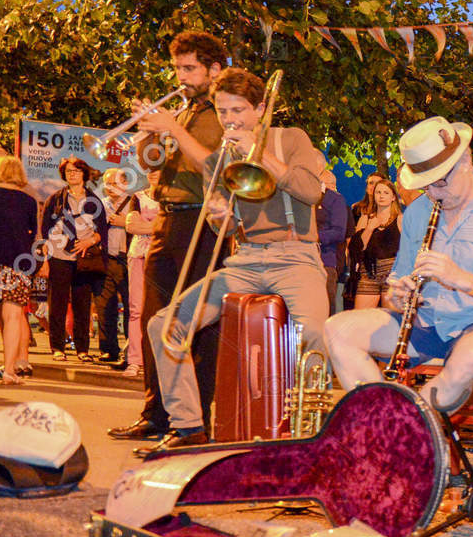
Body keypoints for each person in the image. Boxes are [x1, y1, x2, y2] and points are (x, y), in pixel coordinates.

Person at [140, 68, 331, 456]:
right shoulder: (218, 160)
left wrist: (257, 154)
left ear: (261, 108)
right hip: (244, 260)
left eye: (238, 110)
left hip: (295, 257)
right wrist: (215, 213)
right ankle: (189, 426)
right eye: (223, 110)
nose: (230, 119)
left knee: (314, 335)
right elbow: (222, 226)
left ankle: (310, 433)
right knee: (165, 325)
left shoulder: (290, 138)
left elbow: (311, 192)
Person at [324, 117, 473, 414]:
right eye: (425, 187)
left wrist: (464, 279)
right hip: (431, 321)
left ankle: (407, 429)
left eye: (440, 182)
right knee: (338, 330)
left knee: (469, 355)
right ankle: (385, 425)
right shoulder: (418, 212)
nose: (434, 194)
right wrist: (397, 294)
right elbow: (398, 280)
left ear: (465, 160)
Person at [109, 29, 226, 441]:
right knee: (152, 324)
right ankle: (154, 414)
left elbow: (214, 166)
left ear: (214, 69)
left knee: (195, 327)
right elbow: (152, 162)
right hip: (167, 218)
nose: (181, 76)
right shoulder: (186, 110)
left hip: (202, 223)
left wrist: (173, 128)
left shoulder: (220, 111)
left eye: (189, 68)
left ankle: (193, 421)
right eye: (177, 67)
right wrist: (148, 133)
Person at [41, 157, 109, 364]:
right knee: (58, 304)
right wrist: (44, 258)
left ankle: (82, 349)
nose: (73, 174)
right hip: (59, 255)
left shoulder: (94, 200)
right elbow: (44, 230)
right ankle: (58, 348)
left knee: (82, 304)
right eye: (69, 171)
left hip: (83, 257)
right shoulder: (55, 198)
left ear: (84, 174)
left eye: (77, 171)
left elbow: (102, 233)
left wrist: (89, 241)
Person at [0, 154, 40, 383]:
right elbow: (32, 235)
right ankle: (9, 371)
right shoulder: (27, 201)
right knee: (14, 316)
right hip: (17, 265)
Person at [121, 163, 162, 378]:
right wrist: (159, 225)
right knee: (136, 309)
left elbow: (174, 227)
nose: (153, 173)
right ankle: (135, 361)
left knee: (160, 311)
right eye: (150, 169)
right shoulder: (137, 197)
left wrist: (145, 224)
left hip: (163, 257)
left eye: (159, 169)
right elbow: (131, 226)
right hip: (138, 256)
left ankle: (155, 362)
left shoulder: (173, 198)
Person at [92, 166, 135, 367]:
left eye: (115, 183)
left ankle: (131, 352)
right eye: (107, 183)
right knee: (104, 305)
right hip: (105, 259)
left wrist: (124, 223)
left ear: (125, 183)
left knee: (131, 307)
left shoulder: (135, 203)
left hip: (128, 260)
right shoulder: (100, 204)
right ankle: (108, 350)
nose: (110, 187)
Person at [348, 178, 401, 311]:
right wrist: (370, 229)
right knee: (361, 317)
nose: (381, 196)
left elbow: (407, 248)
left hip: (392, 274)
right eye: (378, 192)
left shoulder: (400, 219)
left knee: (391, 319)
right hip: (369, 273)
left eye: (386, 192)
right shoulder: (365, 218)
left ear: (393, 197)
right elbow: (357, 249)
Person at [316, 167, 350, 314]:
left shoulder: (335, 199)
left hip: (325, 262)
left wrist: (314, 236)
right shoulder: (301, 197)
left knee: (325, 311)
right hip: (300, 261)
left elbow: (339, 232)